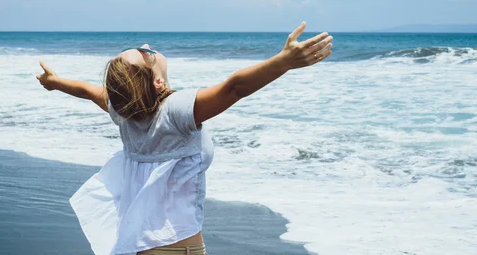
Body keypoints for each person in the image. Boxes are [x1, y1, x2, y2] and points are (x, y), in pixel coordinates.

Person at [36, 22, 333, 255]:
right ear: (158, 81)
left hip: (139, 243)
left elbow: (88, 91)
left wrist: (54, 82)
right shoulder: (176, 111)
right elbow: (233, 89)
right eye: (145, 53)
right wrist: (283, 62)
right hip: (179, 248)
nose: (148, 46)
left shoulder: (123, 113)